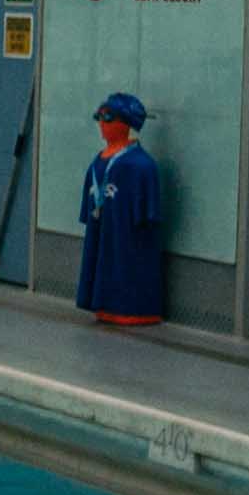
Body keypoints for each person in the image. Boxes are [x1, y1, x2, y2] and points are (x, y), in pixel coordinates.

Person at [73, 85, 174, 328]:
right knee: (102, 260)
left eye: (108, 118)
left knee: (126, 264)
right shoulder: (98, 161)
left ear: (126, 122)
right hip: (103, 228)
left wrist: (143, 221)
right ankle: (103, 302)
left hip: (129, 234)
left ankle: (132, 307)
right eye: (99, 117)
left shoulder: (141, 165)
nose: (102, 124)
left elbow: (149, 211)